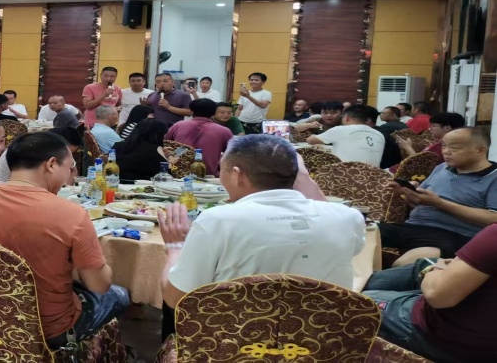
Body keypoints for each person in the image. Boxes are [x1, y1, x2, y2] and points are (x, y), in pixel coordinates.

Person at [158, 135, 365, 341]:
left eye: (222, 170)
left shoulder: (217, 220)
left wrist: (176, 246)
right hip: (324, 344)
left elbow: (176, 299)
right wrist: (302, 177)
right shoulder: (348, 217)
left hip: (233, 346)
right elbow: (328, 221)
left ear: (237, 175)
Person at [0, 132, 129, 348]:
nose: (69, 177)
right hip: (45, 329)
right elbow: (99, 285)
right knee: (119, 294)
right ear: (51, 164)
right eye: (70, 168)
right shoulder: (71, 214)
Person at [362, 224, 497, 362]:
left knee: (354, 302)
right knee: (424, 264)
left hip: (441, 337)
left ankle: (353, 286)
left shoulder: (494, 236)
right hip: (483, 346)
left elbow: (436, 295)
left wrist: (437, 269)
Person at [381, 127, 497, 267]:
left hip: (452, 235)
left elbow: (493, 218)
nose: (446, 151)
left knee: (402, 265)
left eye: (453, 147)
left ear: (480, 150)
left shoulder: (493, 177)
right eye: (443, 146)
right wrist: (407, 192)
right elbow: (419, 203)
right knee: (363, 233)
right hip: (412, 226)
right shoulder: (442, 167)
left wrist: (439, 203)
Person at [165, 99, 233, 176]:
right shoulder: (224, 131)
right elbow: (231, 155)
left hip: (177, 173)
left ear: (191, 111)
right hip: (208, 175)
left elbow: (164, 145)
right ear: (214, 113)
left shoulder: (178, 125)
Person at [0, 127, 81, 184]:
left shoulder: (60, 153)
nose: (67, 155)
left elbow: (73, 170)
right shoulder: (18, 152)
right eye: (67, 151)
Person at [308, 105, 385, 166]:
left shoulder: (341, 129)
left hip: (344, 174)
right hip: (373, 176)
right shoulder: (379, 135)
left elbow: (311, 140)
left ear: (346, 117)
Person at [113, 120, 181, 182]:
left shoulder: (118, 145)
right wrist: (170, 162)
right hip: (141, 186)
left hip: (116, 183)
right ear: (158, 135)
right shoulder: (155, 149)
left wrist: (161, 155)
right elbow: (165, 178)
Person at [396, 112, 465, 165]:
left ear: (447, 128)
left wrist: (407, 147)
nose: (429, 129)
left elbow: (423, 165)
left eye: (433, 126)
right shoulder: (439, 143)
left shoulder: (444, 146)